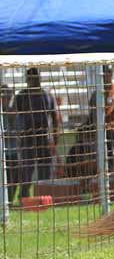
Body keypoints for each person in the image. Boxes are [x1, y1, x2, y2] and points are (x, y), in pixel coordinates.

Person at [15, 68, 61, 200]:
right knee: (26, 171)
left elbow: (55, 117)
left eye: (35, 78)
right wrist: (18, 137)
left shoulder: (47, 96)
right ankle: (23, 198)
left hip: (43, 138)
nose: (33, 81)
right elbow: (15, 117)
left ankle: (45, 198)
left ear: (39, 79)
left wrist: (55, 139)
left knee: (44, 172)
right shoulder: (21, 96)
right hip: (27, 138)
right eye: (31, 78)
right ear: (27, 80)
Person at [89, 65, 114, 174]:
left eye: (109, 73)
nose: (107, 76)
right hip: (99, 133)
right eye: (105, 73)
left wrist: (113, 125)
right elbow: (92, 118)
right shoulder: (96, 95)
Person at [1, 84, 19, 204]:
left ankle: (10, 201)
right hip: (3, 153)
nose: (7, 98)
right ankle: (5, 202)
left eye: (9, 96)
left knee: (14, 177)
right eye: (5, 96)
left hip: (14, 151)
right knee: (4, 178)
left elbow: (18, 131)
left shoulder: (14, 113)